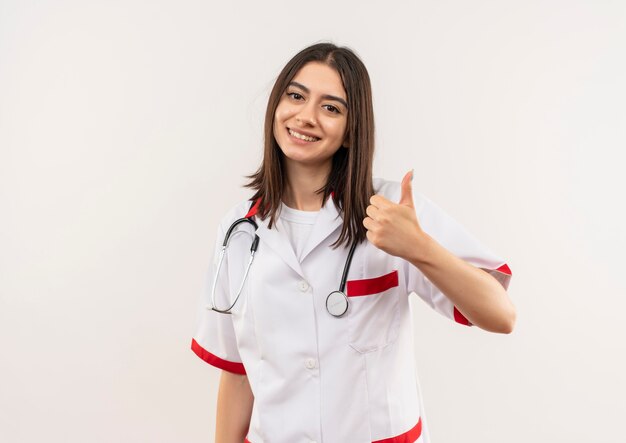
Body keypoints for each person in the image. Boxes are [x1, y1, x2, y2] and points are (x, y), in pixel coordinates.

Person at [191, 42, 515, 443]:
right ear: (276, 106)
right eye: (295, 96)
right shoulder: (238, 230)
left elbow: (501, 316)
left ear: (350, 132)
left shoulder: (394, 209)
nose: (306, 117)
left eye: (331, 108)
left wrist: (419, 247)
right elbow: (237, 374)